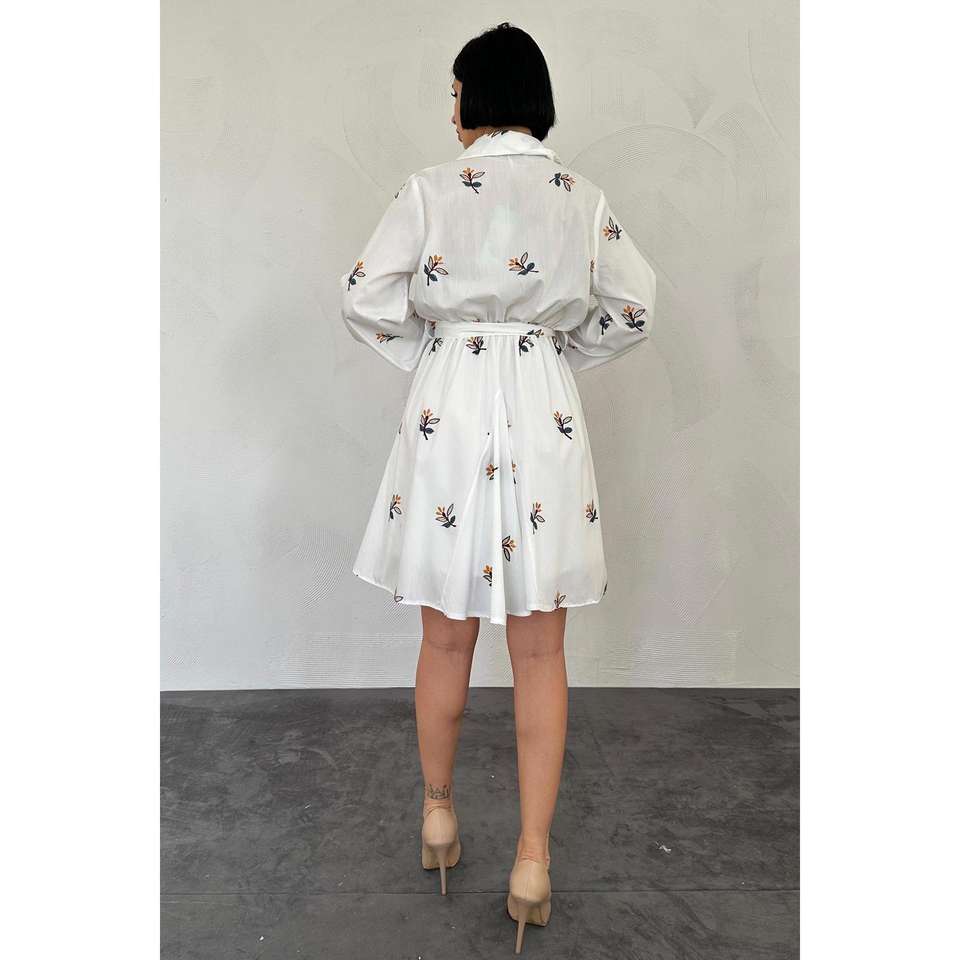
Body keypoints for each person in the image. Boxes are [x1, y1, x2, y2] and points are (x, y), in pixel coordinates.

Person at [338, 21, 656, 953]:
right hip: (541, 407)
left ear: (479, 96)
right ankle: (532, 860)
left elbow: (363, 293)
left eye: (455, 92)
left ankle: (439, 814)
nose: (451, 110)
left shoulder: (430, 191)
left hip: (450, 405)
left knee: (445, 636)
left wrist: (436, 353)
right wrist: (556, 354)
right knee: (542, 652)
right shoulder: (580, 197)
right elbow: (635, 305)